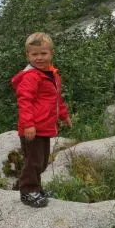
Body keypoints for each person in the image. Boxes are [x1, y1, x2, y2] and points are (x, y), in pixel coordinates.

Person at [11, 32, 72, 207]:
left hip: (44, 127)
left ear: (51, 53)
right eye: (34, 54)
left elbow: (56, 98)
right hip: (33, 129)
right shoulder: (31, 76)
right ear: (27, 55)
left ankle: (35, 187)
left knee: (42, 161)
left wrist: (64, 115)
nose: (39, 58)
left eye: (43, 53)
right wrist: (28, 125)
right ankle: (28, 191)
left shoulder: (51, 74)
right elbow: (25, 101)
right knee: (34, 161)